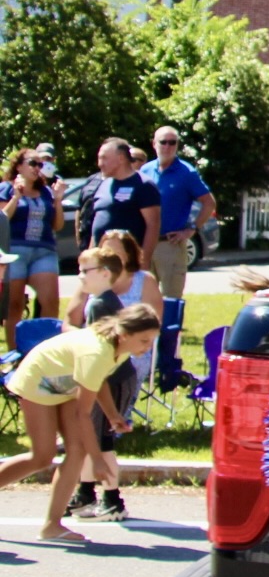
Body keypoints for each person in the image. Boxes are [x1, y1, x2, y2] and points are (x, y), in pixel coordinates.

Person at [0, 303, 160, 542]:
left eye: (151, 341)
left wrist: (113, 415)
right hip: (38, 380)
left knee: (77, 450)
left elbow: (98, 380)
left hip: (65, 383)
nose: (147, 348)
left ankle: (52, 526)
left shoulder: (120, 346)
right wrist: (97, 460)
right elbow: (82, 415)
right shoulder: (97, 351)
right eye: (144, 341)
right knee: (42, 456)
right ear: (125, 334)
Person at [63, 248, 134, 522]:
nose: (80, 276)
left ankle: (112, 499)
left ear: (104, 274)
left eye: (85, 271)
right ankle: (85, 492)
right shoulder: (105, 301)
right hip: (113, 376)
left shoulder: (98, 304)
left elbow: (98, 349)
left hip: (110, 378)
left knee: (100, 439)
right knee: (91, 436)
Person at [1, 149, 67, 350]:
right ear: (18, 166)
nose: (37, 168)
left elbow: (57, 226)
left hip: (44, 250)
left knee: (50, 301)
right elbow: (3, 218)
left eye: (40, 165)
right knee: (14, 305)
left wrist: (57, 200)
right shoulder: (6, 188)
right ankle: (15, 354)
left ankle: (44, 350)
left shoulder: (46, 191)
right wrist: (16, 196)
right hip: (14, 250)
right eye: (32, 163)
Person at [140, 126, 217, 300]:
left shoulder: (186, 172)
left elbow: (209, 203)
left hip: (170, 244)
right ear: (154, 144)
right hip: (145, 243)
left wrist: (191, 229)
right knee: (143, 297)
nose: (167, 147)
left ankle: (171, 328)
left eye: (172, 143)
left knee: (171, 298)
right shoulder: (145, 171)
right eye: (163, 142)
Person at [88, 138, 161, 272]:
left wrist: (143, 262)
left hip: (129, 264)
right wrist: (90, 260)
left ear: (121, 158)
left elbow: (153, 225)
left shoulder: (143, 185)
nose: (100, 164)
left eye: (104, 158)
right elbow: (96, 226)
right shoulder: (103, 185)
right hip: (101, 265)